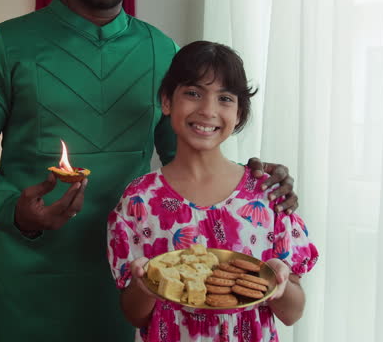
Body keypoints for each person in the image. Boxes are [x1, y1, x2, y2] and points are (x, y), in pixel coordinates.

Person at [0, 0, 298, 342]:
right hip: (22, 274)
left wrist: (254, 178)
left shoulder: (160, 51)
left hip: (124, 281)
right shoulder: (7, 45)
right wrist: (13, 209)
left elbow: (189, 156)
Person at [107, 41, 319, 341]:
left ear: (239, 114)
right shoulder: (139, 200)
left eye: (225, 98)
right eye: (193, 93)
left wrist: (277, 284)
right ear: (167, 101)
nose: (208, 110)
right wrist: (144, 285)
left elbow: (292, 314)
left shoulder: (267, 195)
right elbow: (135, 314)